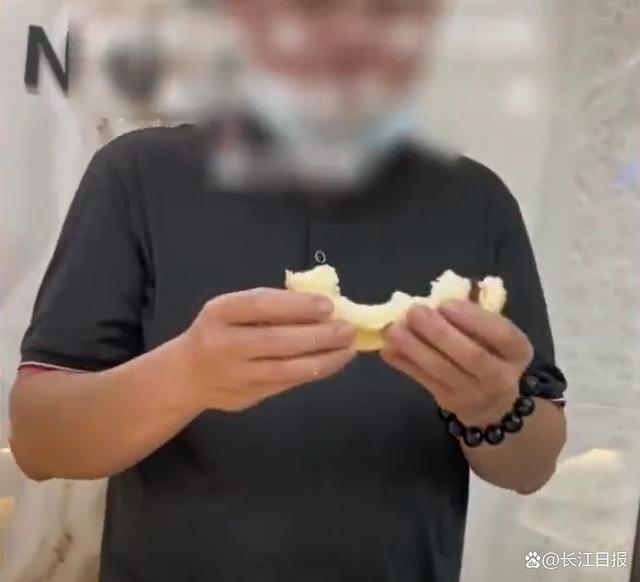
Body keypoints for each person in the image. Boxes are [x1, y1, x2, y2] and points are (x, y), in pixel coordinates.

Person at [9, 1, 567, 581]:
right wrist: (187, 375)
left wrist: (490, 407)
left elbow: (534, 463)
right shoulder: (137, 176)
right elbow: (40, 442)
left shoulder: (478, 203)